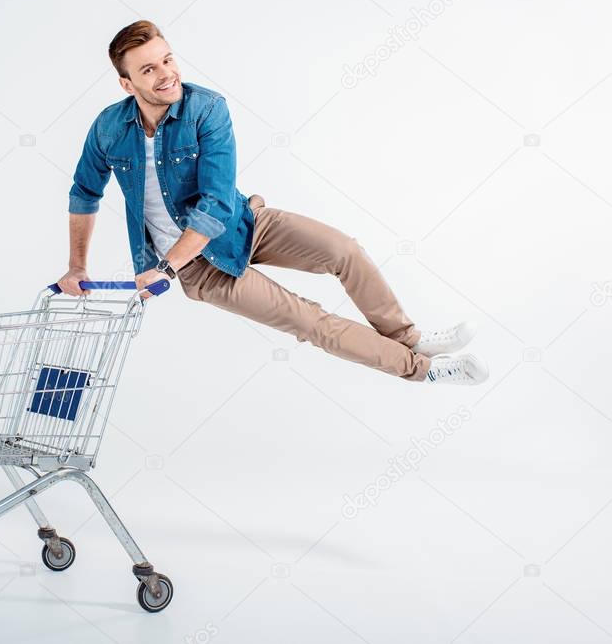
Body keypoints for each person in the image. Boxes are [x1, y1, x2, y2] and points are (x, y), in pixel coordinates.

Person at [57, 20, 488, 385]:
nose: (166, 74)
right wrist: (79, 267)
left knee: (345, 251)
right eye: (148, 69)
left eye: (167, 59)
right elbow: (84, 193)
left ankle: (408, 337)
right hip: (200, 269)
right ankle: (424, 369)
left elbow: (215, 203)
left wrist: (163, 269)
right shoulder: (109, 128)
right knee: (309, 321)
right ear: (126, 83)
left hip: (242, 221)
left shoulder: (206, 108)